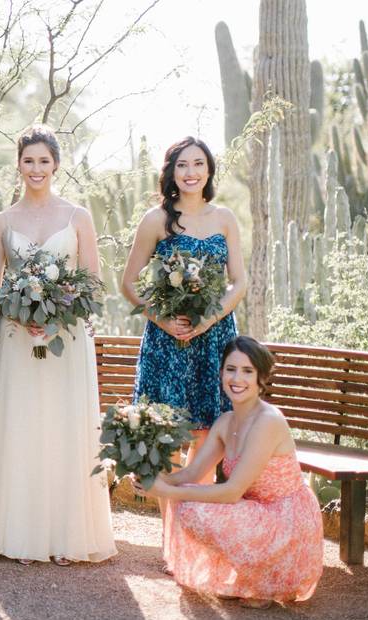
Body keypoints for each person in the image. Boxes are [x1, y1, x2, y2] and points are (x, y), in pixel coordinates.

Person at [0, 125, 116, 565]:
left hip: (66, 341)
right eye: (28, 160)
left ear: (56, 165)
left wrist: (57, 320)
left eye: (44, 161)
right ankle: (15, 533)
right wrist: (18, 315)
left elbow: (92, 282)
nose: (36, 169)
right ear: (18, 164)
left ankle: (67, 535)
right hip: (16, 339)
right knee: (22, 426)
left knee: (63, 428)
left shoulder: (77, 217)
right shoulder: (2, 221)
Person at [131, 336, 323, 608]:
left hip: (286, 520)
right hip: (255, 512)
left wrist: (167, 491)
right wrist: (153, 479)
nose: (237, 378)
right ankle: (247, 575)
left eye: (248, 371)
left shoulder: (267, 421)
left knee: (189, 502)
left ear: (261, 378)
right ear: (221, 373)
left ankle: (264, 581)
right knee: (187, 503)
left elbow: (232, 492)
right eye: (231, 369)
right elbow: (192, 473)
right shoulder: (225, 421)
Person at [120, 137, 245, 474]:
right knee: (165, 433)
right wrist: (162, 320)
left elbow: (239, 281)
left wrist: (209, 319)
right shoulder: (156, 220)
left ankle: (193, 524)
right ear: (171, 172)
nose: (191, 172)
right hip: (168, 340)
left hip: (214, 338)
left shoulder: (224, 218)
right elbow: (128, 282)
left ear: (209, 170)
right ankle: (171, 527)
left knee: (209, 434)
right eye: (183, 165)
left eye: (198, 164)